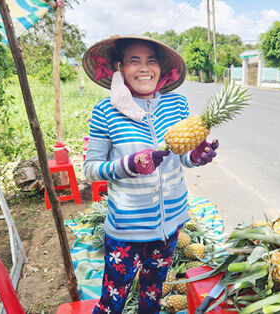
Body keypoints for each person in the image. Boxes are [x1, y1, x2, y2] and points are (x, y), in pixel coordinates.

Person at [82, 35, 219, 314]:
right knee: (112, 302)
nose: (144, 68)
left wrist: (195, 156)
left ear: (161, 67)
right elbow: (91, 169)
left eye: (151, 60)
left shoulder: (177, 104)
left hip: (170, 227)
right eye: (135, 61)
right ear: (120, 68)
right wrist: (129, 165)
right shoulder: (104, 111)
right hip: (126, 230)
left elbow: (182, 157)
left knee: (152, 297)